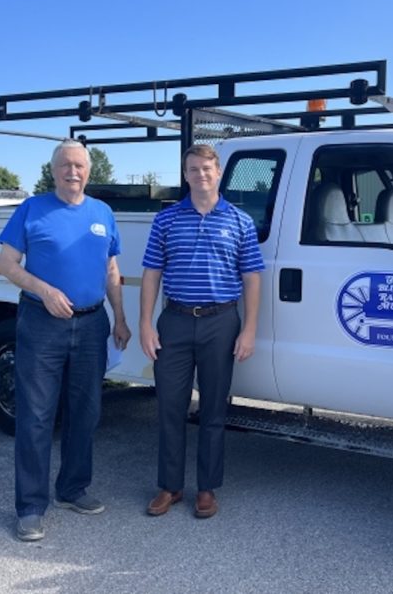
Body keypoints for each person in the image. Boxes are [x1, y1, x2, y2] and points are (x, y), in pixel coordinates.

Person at [0, 139, 131, 542]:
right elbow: (7, 264)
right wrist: (45, 291)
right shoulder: (32, 209)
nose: (73, 172)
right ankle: (31, 508)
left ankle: (73, 489)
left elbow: (111, 269)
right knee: (37, 416)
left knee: (85, 412)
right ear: (53, 171)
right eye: (65, 166)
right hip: (42, 323)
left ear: (89, 171)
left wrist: (120, 317)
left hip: (92, 325)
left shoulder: (102, 213)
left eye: (80, 166)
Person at [139, 143, 263, 519]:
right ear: (186, 174)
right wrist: (145, 323)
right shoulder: (166, 220)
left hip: (221, 322)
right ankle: (170, 487)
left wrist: (250, 329)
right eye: (193, 169)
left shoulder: (240, 222)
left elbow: (252, 278)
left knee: (212, 409)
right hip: (174, 322)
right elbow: (151, 274)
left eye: (206, 169)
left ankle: (206, 489)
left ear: (219, 171)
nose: (201, 175)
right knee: (170, 408)